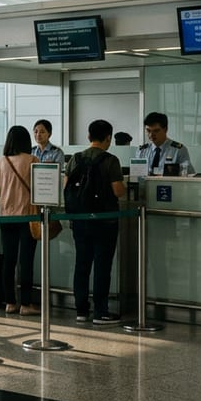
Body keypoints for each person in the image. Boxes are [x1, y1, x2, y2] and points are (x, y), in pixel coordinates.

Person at [66, 119, 127, 325]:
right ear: (108, 138)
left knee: (82, 264)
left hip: (80, 220)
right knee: (102, 265)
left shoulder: (75, 158)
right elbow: (117, 190)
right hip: (105, 221)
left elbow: (67, 186)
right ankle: (101, 311)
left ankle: (81, 310)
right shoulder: (111, 160)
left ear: (89, 136)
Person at [0, 126, 40, 315]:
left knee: (9, 260)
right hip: (27, 217)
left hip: (6, 216)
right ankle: (26, 304)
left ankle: (10, 302)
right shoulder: (33, 160)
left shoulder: (1, 161)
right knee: (26, 261)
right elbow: (40, 190)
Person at [136, 112, 194, 176]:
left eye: (156, 131)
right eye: (148, 130)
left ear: (165, 129)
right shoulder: (142, 151)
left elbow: (189, 174)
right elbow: (136, 174)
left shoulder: (179, 150)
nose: (151, 135)